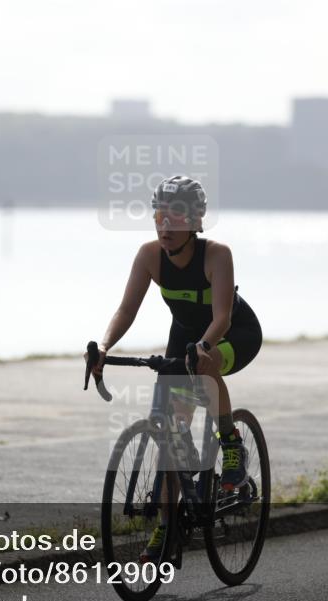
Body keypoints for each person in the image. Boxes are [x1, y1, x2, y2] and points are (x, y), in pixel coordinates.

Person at [89, 175, 263, 561]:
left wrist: (204, 347)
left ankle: (231, 443)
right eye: (159, 216)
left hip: (233, 334)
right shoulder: (149, 256)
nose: (165, 226)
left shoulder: (217, 255)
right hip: (184, 337)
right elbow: (126, 310)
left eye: (175, 217)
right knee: (171, 433)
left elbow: (221, 318)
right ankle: (167, 528)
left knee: (206, 365)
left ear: (196, 220)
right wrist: (103, 347)